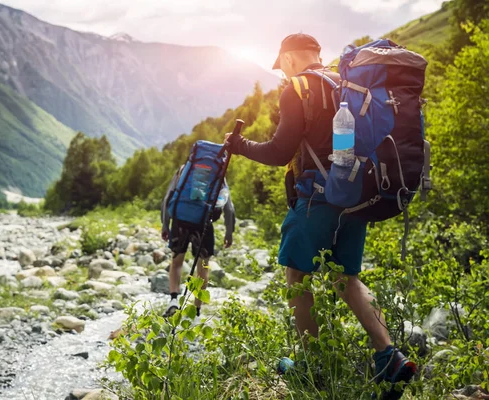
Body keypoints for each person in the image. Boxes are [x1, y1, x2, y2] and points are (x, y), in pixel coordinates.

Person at [225, 33, 416, 396]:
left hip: (317, 197)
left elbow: (280, 151)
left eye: (281, 63)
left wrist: (240, 146)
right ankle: (388, 356)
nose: (281, 71)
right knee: (348, 277)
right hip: (356, 197)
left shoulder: (298, 88)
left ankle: (312, 366)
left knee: (296, 273)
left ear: (290, 58)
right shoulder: (344, 84)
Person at [160, 165, 235, 318]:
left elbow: (168, 198)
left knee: (177, 262)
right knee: (204, 267)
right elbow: (229, 207)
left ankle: (173, 301)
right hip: (204, 224)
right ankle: (196, 310)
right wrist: (229, 231)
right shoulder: (218, 173)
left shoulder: (184, 169)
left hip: (180, 221)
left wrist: (165, 224)